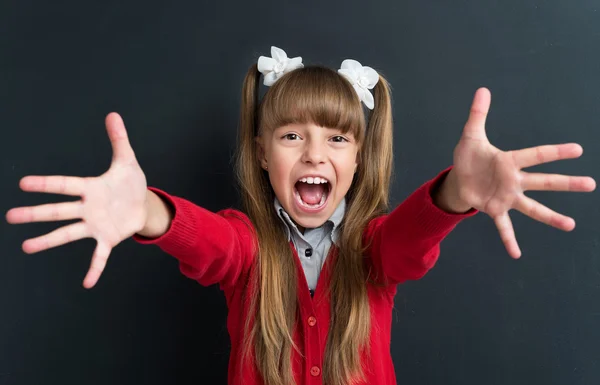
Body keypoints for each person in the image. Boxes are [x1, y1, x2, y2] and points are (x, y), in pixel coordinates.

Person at [5, 46, 596, 385]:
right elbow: (211, 243)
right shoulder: (247, 244)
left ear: (359, 157)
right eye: (292, 135)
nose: (315, 153)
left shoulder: (373, 247)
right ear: (263, 154)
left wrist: (454, 196)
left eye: (338, 139)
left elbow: (410, 243)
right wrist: (149, 212)